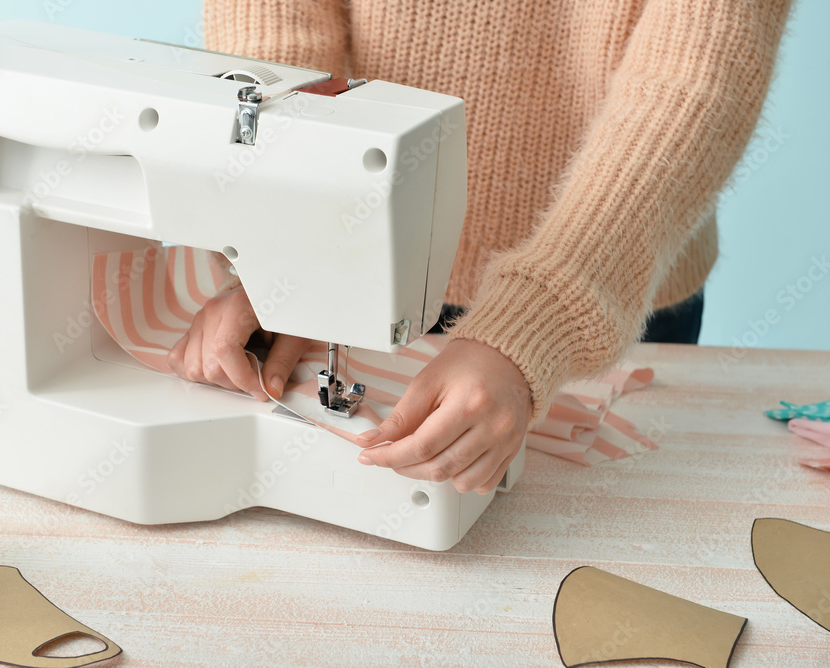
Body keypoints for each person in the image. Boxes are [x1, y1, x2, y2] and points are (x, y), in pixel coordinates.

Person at [167, 0, 791, 494]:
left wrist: (537, 323)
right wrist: (285, 250)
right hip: (356, 264)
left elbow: (694, 79)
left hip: (607, 287)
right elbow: (279, 38)